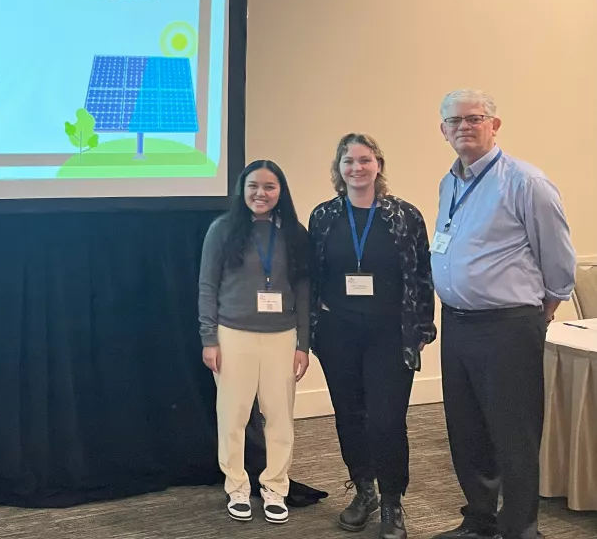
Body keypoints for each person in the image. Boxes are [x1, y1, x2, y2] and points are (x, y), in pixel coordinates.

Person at [430, 89, 575, 539]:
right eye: (454, 121)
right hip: (457, 322)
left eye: (474, 118)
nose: (463, 127)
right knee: (467, 430)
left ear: (495, 125)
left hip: (508, 326)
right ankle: (479, 520)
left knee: (514, 433)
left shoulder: (525, 181)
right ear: (443, 131)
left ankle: (520, 529)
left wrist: (542, 309)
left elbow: (558, 259)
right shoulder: (449, 182)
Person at [308, 134, 436, 539]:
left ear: (378, 164)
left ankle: (392, 501)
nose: (356, 168)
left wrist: (422, 328)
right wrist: (314, 324)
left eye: (365, 160)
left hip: (390, 333)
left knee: (386, 420)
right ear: (339, 167)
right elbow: (313, 274)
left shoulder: (404, 215)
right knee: (350, 415)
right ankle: (364, 490)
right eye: (349, 161)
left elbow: (422, 275)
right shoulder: (324, 215)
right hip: (338, 332)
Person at [199, 160, 311, 525]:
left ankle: (275, 485)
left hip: (281, 337)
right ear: (241, 189)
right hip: (233, 336)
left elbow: (305, 290)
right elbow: (207, 287)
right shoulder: (222, 230)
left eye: (269, 186)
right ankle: (236, 485)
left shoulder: (295, 233)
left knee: (279, 417)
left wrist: (303, 344)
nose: (260, 193)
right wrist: (209, 338)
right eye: (253, 186)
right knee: (232, 416)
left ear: (281, 192)